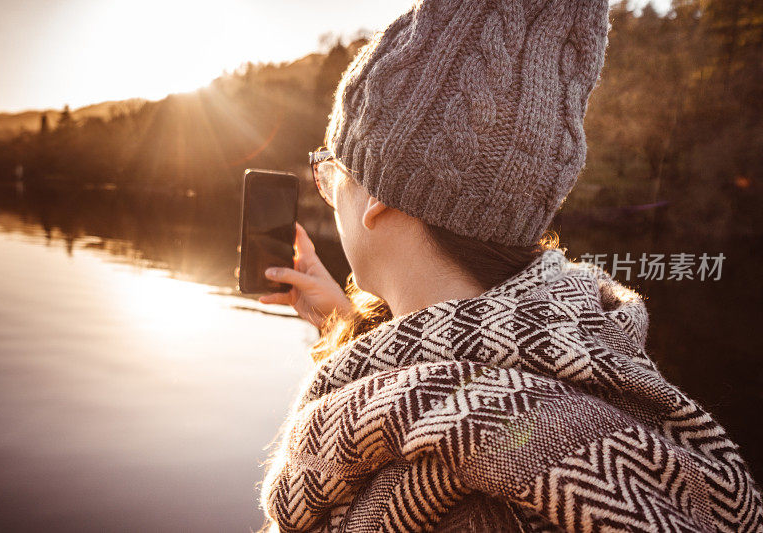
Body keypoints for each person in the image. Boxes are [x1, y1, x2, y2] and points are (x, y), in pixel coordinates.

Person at [257, 0, 763, 531]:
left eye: (331, 170)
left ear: (382, 197)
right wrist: (341, 325)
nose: (328, 188)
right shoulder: (585, 349)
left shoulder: (467, 508)